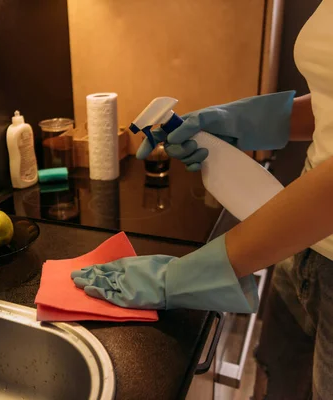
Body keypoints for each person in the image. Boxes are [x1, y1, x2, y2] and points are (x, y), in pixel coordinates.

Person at [71, 1, 333, 398]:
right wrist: (243, 122)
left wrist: (184, 276)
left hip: (316, 228)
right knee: (280, 376)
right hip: (304, 246)